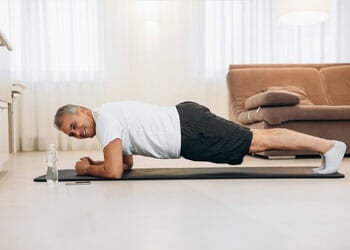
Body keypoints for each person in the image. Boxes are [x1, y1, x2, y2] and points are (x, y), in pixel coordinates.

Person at [54, 101, 347, 179]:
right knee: (258, 140)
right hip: (188, 126)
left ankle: (330, 147)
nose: (78, 134)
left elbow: (115, 172)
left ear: (82, 110)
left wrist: (88, 170)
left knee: (259, 140)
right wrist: (99, 163)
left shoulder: (105, 120)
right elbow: (126, 163)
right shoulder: (107, 118)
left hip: (189, 130)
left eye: (75, 126)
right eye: (72, 134)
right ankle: (327, 148)